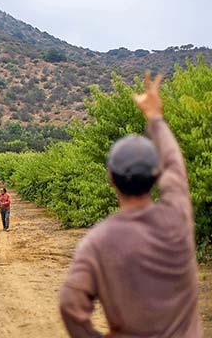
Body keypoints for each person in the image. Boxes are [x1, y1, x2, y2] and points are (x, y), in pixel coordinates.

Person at [58, 72, 202, 337]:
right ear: (156, 176)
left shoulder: (98, 241)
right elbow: (175, 167)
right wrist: (155, 117)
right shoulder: (176, 218)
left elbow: (69, 305)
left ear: (111, 179)